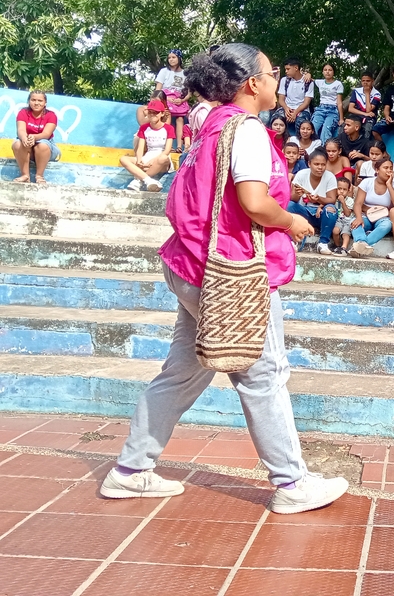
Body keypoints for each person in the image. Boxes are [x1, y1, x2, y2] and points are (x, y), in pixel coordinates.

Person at [100, 42, 348, 513]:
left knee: (183, 370)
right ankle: (292, 484)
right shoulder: (249, 130)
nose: (277, 82)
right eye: (272, 74)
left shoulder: (210, 122)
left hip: (190, 264)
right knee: (264, 374)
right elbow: (255, 202)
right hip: (231, 272)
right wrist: (291, 221)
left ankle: (130, 470)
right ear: (253, 83)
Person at [349, 157, 394, 256]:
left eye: (391, 168)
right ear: (377, 170)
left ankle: (359, 247)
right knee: (355, 223)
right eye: (385, 168)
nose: (389, 170)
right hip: (366, 215)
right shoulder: (367, 182)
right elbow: (357, 203)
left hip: (383, 219)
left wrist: (389, 185)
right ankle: (361, 243)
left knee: (387, 225)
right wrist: (358, 217)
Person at [287, 151, 339, 255]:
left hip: (322, 215)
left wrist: (318, 199)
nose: (320, 167)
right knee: (289, 205)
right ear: (309, 164)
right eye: (316, 164)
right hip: (304, 212)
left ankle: (323, 243)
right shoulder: (301, 174)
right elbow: (293, 199)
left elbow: (332, 199)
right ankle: (292, 241)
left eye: (323, 164)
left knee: (331, 209)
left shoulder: (330, 177)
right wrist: (298, 194)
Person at [121, 100, 174, 192]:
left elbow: (167, 150)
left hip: (161, 159)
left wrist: (152, 161)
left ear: (161, 114)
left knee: (163, 158)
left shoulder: (168, 128)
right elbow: (140, 147)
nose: (152, 115)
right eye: (150, 112)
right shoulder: (144, 128)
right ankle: (148, 180)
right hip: (148, 156)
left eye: (156, 112)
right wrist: (139, 159)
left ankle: (138, 180)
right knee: (123, 159)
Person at [11, 90, 60, 184]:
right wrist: (24, 138)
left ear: (45, 103)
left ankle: (39, 175)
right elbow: (20, 130)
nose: (36, 103)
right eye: (33, 100)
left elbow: (46, 134)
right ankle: (25, 175)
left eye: (40, 101)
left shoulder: (51, 115)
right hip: (28, 145)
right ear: (29, 101)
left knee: (42, 145)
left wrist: (33, 137)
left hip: (46, 147)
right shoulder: (23, 112)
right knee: (17, 144)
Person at [155, 49, 188, 151]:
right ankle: (167, 146)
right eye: (169, 58)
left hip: (179, 99)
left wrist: (182, 100)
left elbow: (190, 92)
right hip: (165, 97)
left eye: (173, 57)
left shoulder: (185, 73)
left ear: (179, 58)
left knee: (180, 119)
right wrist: (166, 98)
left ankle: (179, 146)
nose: (171, 60)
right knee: (166, 116)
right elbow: (158, 89)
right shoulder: (164, 71)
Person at [276, 58, 315, 131]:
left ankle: (298, 142)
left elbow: (306, 103)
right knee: (276, 120)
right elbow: (281, 99)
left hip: (302, 110)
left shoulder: (308, 82)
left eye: (288, 69)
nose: (286, 71)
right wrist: (286, 109)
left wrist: (295, 113)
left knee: (301, 124)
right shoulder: (284, 80)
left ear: (296, 68)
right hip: (287, 108)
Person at [311, 62, 345, 143]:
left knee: (326, 131)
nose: (327, 72)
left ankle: (324, 151)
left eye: (330, 70)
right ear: (322, 72)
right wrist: (308, 74)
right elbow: (310, 79)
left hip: (332, 110)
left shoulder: (338, 84)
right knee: (312, 128)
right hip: (321, 109)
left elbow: (339, 102)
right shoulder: (320, 82)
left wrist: (341, 118)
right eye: (325, 70)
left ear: (333, 72)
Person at [346, 71, 381, 139]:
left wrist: (367, 94)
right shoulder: (356, 91)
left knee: (367, 128)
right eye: (363, 81)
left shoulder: (377, 94)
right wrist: (364, 114)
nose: (365, 83)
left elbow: (368, 110)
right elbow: (350, 108)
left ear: (372, 81)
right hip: (357, 115)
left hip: (370, 117)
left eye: (368, 81)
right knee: (345, 126)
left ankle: (364, 147)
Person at [331, 176, 357, 255]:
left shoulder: (350, 200)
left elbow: (348, 214)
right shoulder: (333, 199)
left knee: (345, 233)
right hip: (338, 220)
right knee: (335, 231)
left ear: (348, 190)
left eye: (344, 189)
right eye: (339, 189)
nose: (341, 191)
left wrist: (343, 202)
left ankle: (344, 248)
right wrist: (320, 208)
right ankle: (337, 246)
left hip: (347, 220)